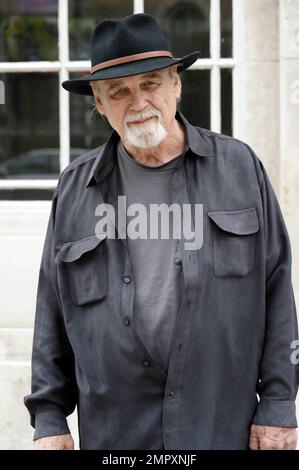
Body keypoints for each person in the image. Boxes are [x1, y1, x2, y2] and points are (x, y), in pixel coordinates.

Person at [24, 13, 298, 450]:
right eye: (119, 91)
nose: (137, 103)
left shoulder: (239, 168)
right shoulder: (75, 189)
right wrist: (50, 418)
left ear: (176, 84)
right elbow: (51, 311)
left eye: (150, 83)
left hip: (221, 425)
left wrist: (280, 405)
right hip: (117, 434)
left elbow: (278, 288)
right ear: (98, 102)